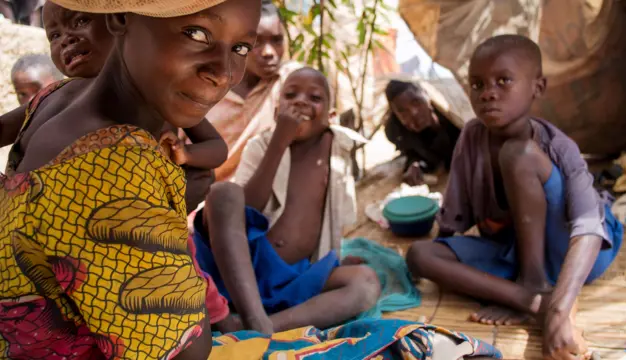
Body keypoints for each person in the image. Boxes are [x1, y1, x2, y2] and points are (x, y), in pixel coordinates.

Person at [0, 0, 261, 358]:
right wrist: (166, 214)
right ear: (120, 17)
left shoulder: (53, 100)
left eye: (241, 48)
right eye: (196, 33)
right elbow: (183, 350)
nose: (224, 73)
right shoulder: (113, 165)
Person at [405, 35, 623, 359]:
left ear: (537, 87)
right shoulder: (471, 135)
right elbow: (452, 220)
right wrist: (443, 258)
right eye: (477, 84)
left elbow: (589, 228)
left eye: (503, 80)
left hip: (574, 252)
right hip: (514, 252)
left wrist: (562, 313)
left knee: (517, 154)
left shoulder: (557, 146)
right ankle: (533, 302)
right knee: (420, 256)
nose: (488, 93)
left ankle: (540, 288)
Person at [192, 67, 380, 334]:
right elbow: (248, 208)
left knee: (366, 283)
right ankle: (253, 314)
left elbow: (333, 217)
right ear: (276, 110)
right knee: (223, 193)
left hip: (292, 277)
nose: (301, 101)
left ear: (331, 116)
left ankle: (259, 326)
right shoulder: (262, 144)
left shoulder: (337, 150)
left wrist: (334, 260)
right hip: (239, 270)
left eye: (314, 98)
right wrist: (279, 141)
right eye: (290, 95)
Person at [203, 0, 302, 182]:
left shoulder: (292, 81)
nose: (268, 52)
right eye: (256, 43)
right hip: (208, 201)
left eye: (277, 40)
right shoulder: (203, 89)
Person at [384, 79, 462, 186]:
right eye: (402, 111)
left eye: (416, 102)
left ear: (427, 95)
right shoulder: (396, 132)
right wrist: (415, 164)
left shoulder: (454, 116)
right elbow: (411, 151)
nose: (413, 113)